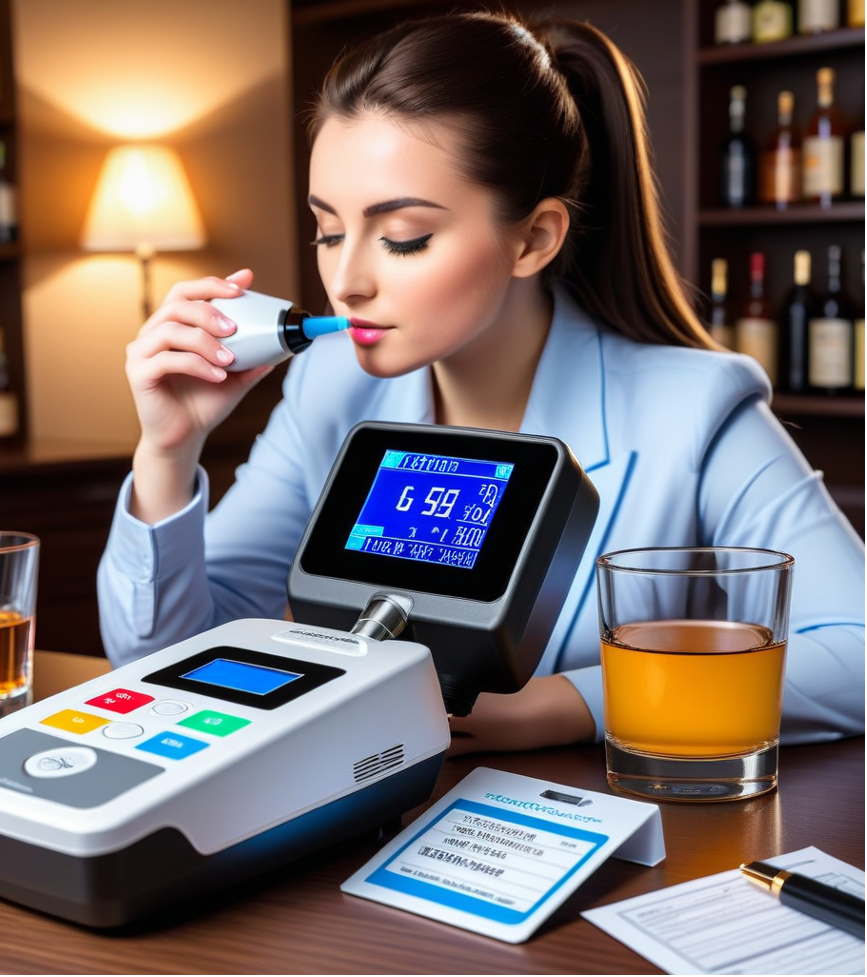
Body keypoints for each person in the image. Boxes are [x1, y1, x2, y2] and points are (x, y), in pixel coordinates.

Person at [98, 11, 865, 754]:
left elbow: (854, 649)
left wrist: (567, 704)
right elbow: (168, 658)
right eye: (328, 230)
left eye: (404, 237)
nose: (345, 280)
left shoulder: (692, 409)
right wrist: (167, 452)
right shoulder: (326, 387)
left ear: (533, 238)